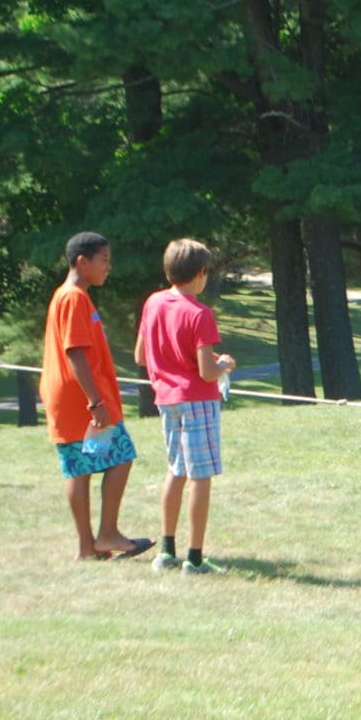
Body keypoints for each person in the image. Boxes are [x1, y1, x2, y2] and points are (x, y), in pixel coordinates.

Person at [42, 232, 150, 561]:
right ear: (81, 261)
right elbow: (75, 352)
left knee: (80, 468)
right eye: (103, 260)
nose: (108, 266)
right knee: (120, 456)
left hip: (70, 398)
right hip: (80, 400)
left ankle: (87, 548)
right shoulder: (73, 298)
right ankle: (106, 534)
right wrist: (95, 402)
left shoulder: (70, 297)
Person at [134, 238, 237, 575]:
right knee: (200, 477)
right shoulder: (200, 314)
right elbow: (207, 372)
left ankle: (166, 552)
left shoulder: (153, 303)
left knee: (176, 471)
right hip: (197, 401)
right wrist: (224, 364)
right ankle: (194, 558)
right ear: (200, 273)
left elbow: (140, 355)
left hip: (166, 401)